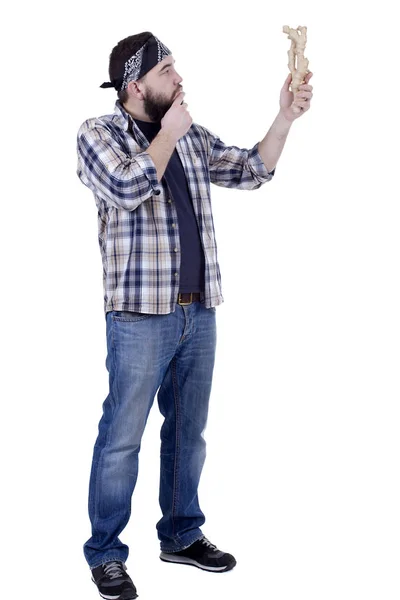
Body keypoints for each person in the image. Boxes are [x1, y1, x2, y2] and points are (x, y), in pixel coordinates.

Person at [76, 31, 313, 600]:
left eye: (176, 67)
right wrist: (167, 136)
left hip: (197, 311)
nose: (179, 79)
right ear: (135, 85)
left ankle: (182, 534)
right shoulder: (98, 134)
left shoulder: (188, 136)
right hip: (139, 316)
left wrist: (284, 119)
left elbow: (251, 170)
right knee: (121, 439)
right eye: (166, 71)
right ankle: (106, 553)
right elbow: (130, 187)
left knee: (189, 433)